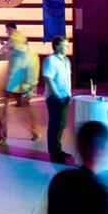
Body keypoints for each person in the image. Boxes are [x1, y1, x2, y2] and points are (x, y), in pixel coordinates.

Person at [0, 30, 39, 147]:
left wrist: (29, 89)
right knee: (8, 112)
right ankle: (3, 136)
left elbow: (32, 75)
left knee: (23, 112)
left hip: (19, 87)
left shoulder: (27, 54)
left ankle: (33, 131)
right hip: (11, 86)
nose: (12, 44)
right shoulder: (18, 52)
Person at [42, 36, 73, 164]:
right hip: (55, 98)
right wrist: (57, 95)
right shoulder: (50, 60)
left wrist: (69, 94)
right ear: (56, 46)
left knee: (61, 125)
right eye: (64, 45)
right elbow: (48, 79)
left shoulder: (66, 60)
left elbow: (67, 79)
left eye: (67, 45)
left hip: (65, 96)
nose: (67, 47)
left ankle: (58, 150)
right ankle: (54, 153)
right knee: (55, 125)